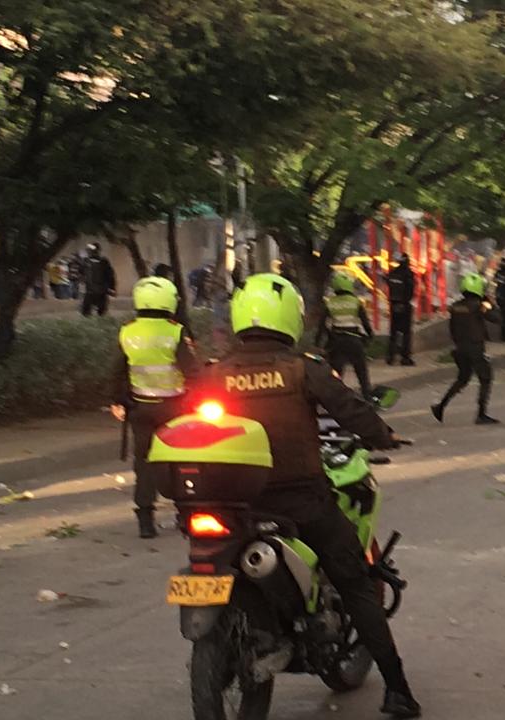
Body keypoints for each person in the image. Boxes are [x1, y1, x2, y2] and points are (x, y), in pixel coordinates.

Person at [195, 273, 420, 718]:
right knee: (356, 582)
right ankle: (397, 690)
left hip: (232, 506)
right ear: (288, 318)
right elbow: (350, 409)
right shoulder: (302, 368)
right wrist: (383, 435)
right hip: (299, 503)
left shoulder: (215, 375)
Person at [110, 277, 197, 538]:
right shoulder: (174, 331)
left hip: (140, 409)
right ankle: (185, 514)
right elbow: (192, 370)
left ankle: (145, 520)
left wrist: (117, 400)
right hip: (174, 410)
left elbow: (117, 371)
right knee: (182, 462)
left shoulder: (128, 331)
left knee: (144, 464)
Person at [431, 273, 500, 425]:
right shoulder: (478, 306)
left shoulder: (456, 306)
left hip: (460, 347)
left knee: (462, 379)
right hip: (475, 347)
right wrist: (491, 303)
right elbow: (496, 318)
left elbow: (452, 328)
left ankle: (440, 406)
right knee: (485, 378)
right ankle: (481, 414)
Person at [314, 272, 375, 400]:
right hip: (354, 340)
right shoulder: (356, 302)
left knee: (336, 373)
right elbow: (366, 323)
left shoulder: (330, 303)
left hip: (337, 342)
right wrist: (370, 337)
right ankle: (367, 396)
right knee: (361, 371)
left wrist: (318, 345)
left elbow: (321, 327)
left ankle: (334, 399)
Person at [385, 253, 416, 366]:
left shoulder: (392, 273)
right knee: (406, 333)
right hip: (405, 305)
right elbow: (411, 290)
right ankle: (405, 358)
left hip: (393, 305)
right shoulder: (408, 274)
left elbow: (387, 282)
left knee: (394, 332)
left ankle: (390, 357)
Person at [81, 243, 117, 316]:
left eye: (92, 250)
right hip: (90, 290)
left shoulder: (103, 261)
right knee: (86, 310)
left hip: (101, 290)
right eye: (89, 250)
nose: (90, 252)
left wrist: (112, 288)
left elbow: (110, 275)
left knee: (101, 310)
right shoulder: (86, 261)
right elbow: (81, 272)